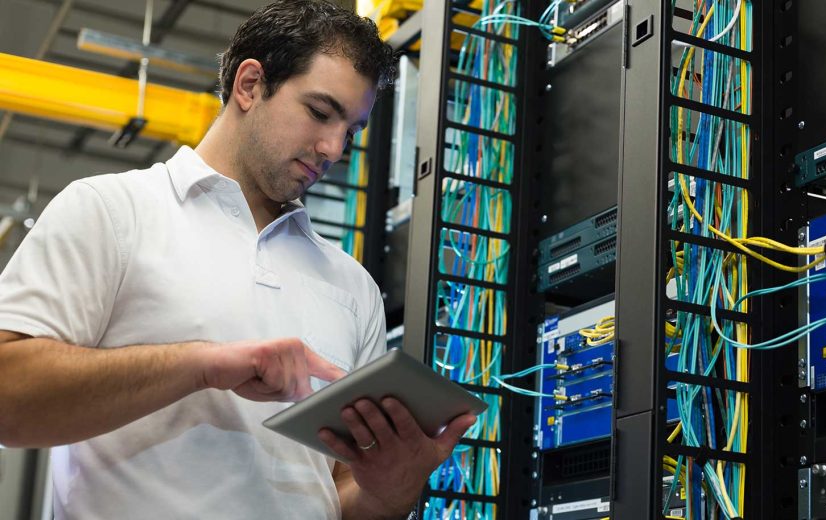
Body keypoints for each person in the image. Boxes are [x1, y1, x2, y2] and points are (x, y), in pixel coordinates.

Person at [0, 1, 475, 518]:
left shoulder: (353, 286)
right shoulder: (113, 211)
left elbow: (334, 495)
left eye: (352, 131)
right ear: (250, 85)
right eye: (320, 112)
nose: (333, 147)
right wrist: (202, 364)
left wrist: (387, 491)